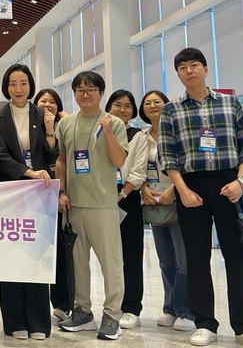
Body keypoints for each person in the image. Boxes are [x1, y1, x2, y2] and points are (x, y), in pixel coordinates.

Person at [159, 47, 243, 348]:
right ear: (178, 74)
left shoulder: (231, 103)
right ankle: (205, 323)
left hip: (229, 184)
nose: (189, 70)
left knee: (236, 256)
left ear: (205, 69)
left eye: (194, 65)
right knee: (196, 258)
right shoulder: (171, 110)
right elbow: (167, 154)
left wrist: (241, 181)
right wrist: (182, 190)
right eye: (183, 67)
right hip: (191, 186)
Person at [55, 71, 128, 340]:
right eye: (80, 90)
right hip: (74, 204)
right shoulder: (66, 124)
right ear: (74, 93)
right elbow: (61, 160)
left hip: (102, 203)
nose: (85, 94)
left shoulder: (113, 123)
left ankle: (112, 315)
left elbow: (119, 160)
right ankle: (83, 311)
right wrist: (62, 191)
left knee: (111, 263)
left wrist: (107, 133)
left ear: (100, 93)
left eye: (91, 90)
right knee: (77, 264)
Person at [0, 64, 54, 340]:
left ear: (30, 86)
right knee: (13, 254)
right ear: (6, 87)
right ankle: (14, 320)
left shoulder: (41, 114)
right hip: (11, 190)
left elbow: (51, 155)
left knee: (38, 255)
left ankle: (38, 321)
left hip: (41, 192)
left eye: (24, 83)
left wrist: (50, 130)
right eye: (13, 84)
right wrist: (28, 172)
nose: (18, 89)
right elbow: (1, 155)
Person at [135, 90, 195, 332]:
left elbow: (189, 163)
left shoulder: (178, 131)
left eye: (157, 102)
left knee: (183, 259)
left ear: (167, 105)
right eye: (147, 103)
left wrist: (174, 189)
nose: (152, 106)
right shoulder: (141, 136)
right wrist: (143, 189)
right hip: (153, 201)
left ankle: (185, 311)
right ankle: (170, 308)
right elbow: (135, 166)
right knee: (165, 260)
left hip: (178, 198)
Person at [105, 89, 146, 329]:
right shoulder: (102, 131)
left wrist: (122, 194)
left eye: (127, 106)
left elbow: (138, 170)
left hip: (126, 198)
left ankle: (132, 307)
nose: (122, 109)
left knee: (131, 255)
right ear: (109, 106)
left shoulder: (137, 135)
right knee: (109, 257)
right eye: (117, 104)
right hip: (101, 196)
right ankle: (114, 305)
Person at [33, 88, 71, 321]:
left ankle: (63, 303)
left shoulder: (65, 126)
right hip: (35, 193)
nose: (47, 105)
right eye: (43, 101)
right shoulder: (29, 126)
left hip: (60, 193)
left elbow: (62, 159)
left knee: (61, 251)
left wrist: (62, 191)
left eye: (52, 101)